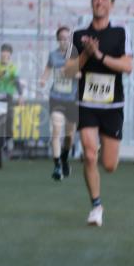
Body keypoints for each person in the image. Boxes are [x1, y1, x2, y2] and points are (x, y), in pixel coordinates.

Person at [63, 0, 133, 227]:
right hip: (87, 104)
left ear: (111, 4)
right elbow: (69, 71)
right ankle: (96, 206)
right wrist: (86, 54)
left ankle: (104, 153)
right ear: (91, 2)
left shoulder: (121, 34)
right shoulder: (78, 36)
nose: (99, 2)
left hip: (112, 106)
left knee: (109, 165)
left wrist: (100, 55)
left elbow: (128, 66)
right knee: (90, 155)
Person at [38, 26, 79, 181]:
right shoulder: (53, 55)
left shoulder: (76, 56)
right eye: (61, 38)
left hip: (71, 100)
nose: (64, 41)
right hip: (56, 98)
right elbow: (48, 69)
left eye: (67, 38)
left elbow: (82, 73)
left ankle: (64, 158)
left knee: (69, 136)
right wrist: (43, 79)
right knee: (56, 130)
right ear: (57, 40)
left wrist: (72, 73)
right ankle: (56, 166)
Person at [0, 43, 24, 169]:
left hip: (8, 95)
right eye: (3, 53)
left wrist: (21, 95)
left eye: (7, 54)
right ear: (0, 54)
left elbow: (17, 82)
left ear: (10, 56)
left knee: (10, 116)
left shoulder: (12, 68)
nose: (4, 56)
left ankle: (9, 137)